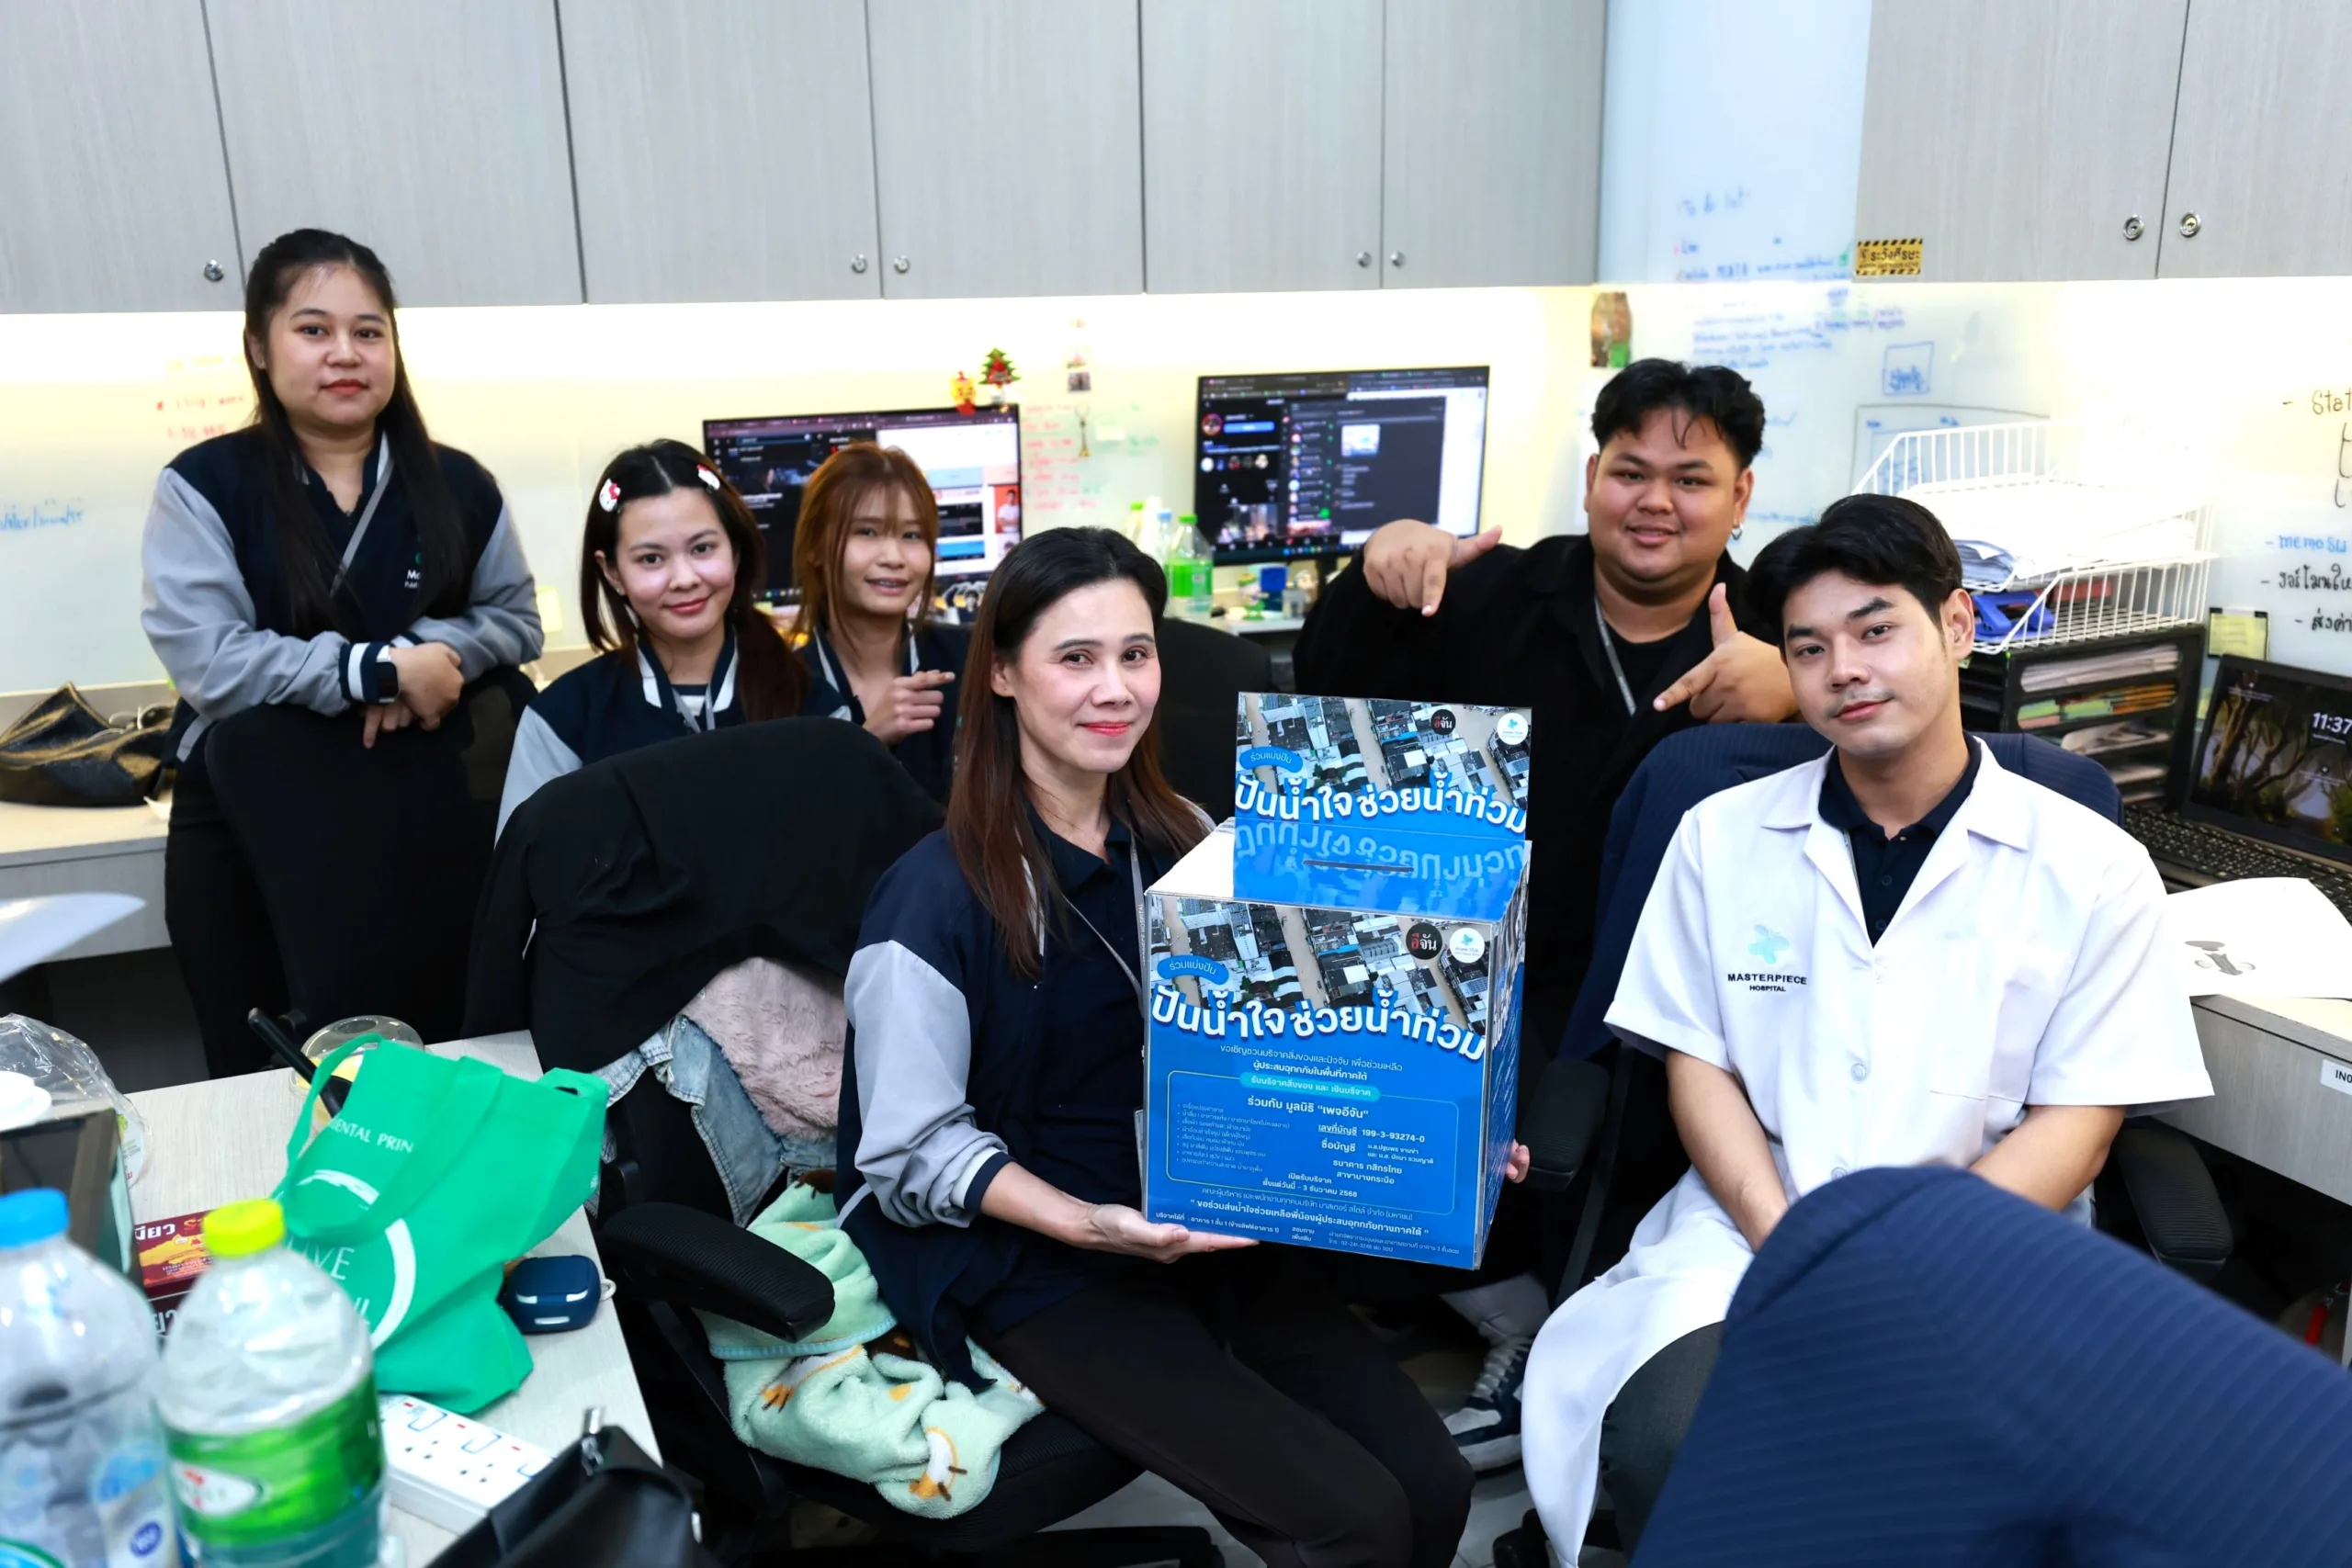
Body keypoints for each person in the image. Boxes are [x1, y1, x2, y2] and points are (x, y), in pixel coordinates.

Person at [1517, 493, 2215, 1556]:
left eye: (1875, 629)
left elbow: (2080, 1123)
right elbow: (1697, 1067)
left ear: (1957, 626)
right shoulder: (1719, 837)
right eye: (1808, 648)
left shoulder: (2092, 869)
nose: (1843, 669)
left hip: (1983, 1257)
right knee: (1682, 1443)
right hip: (1750, 1238)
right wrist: (1789, 1242)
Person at [837, 527, 1514, 1568]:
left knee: (1434, 1485)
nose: (1114, 688)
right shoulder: (933, 898)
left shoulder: (1185, 834)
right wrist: (1090, 1225)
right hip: (1043, 1258)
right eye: (1075, 658)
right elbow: (909, 1151)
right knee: (1355, 1522)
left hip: (1197, 1210)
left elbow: (1295, 1029)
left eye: (1135, 653)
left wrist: (1450, 1116)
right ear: (1004, 674)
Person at [1291, 359, 1795, 1468]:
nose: (1654, 502)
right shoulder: (1492, 595)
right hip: (1481, 964)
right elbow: (1325, 687)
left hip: (1693, 993)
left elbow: (1885, 751)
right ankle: (1497, 1303)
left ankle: (1569, 1327)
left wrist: (1796, 692)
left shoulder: (1777, 633)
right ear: (1590, 477)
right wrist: (1374, 569)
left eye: (1690, 480)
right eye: (1629, 471)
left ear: (1741, 496)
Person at [141, 229, 540, 1077]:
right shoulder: (204, 485)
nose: (345, 353)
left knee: (450, 1061)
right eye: (313, 329)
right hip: (256, 829)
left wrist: (429, 652)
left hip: (429, 820)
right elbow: (209, 659)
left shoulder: (459, 484)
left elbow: (515, 620)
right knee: (273, 1082)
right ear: (259, 346)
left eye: (368, 331)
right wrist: (374, 673)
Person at [497, 441, 808, 834]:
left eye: (702, 548)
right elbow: (526, 863)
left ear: (735, 550)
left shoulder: (811, 699)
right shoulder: (561, 722)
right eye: (651, 559)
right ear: (612, 571)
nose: (684, 579)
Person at [788, 443, 970, 805]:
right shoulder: (780, 689)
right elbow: (781, 821)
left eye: (912, 535)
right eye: (867, 532)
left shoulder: (971, 660)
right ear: (815, 547)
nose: (894, 557)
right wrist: (868, 741)